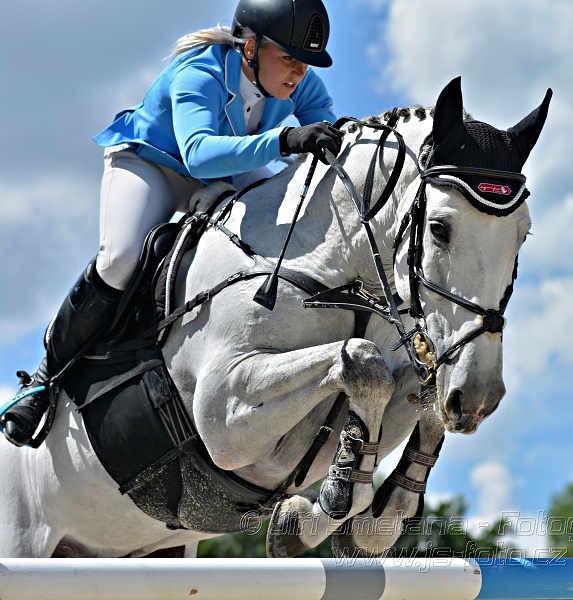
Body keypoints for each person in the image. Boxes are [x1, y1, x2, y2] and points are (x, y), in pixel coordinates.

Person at [1, 0, 343, 447]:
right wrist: (284, 139)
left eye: (305, 63)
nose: (298, 73)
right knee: (121, 258)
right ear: (251, 48)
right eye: (289, 59)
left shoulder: (300, 82)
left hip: (227, 170)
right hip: (155, 163)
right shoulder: (198, 73)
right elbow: (199, 152)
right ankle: (43, 379)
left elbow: (330, 128)